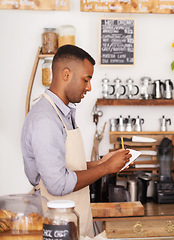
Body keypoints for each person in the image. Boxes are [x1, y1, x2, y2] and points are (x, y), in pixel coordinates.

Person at [21, 45, 132, 237]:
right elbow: (57, 184)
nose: (89, 87)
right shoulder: (45, 119)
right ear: (66, 75)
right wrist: (105, 169)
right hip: (58, 226)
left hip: (72, 222)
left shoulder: (63, 113)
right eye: (86, 79)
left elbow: (64, 166)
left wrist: (102, 162)